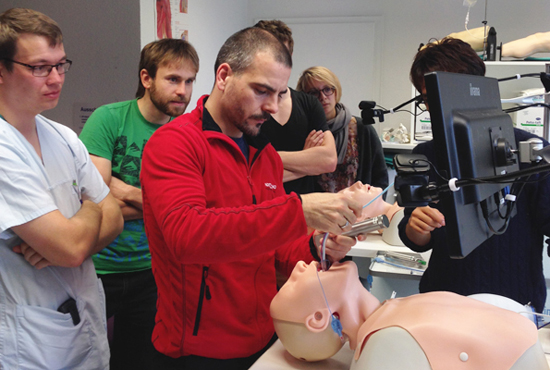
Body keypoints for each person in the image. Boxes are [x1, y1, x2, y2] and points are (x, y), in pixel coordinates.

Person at [140, 27, 366, 369]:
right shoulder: (175, 144)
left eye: (279, 93)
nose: (273, 107)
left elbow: (272, 249)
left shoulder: (265, 155)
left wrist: (316, 245)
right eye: (261, 91)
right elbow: (186, 237)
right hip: (197, 350)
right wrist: (299, 210)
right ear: (224, 76)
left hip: (265, 337)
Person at [0, 8, 123, 369]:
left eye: (60, 64)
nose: (55, 78)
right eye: (39, 67)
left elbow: (114, 218)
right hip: (32, 342)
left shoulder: (63, 136)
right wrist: (90, 208)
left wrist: (74, 241)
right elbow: (72, 246)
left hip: (84, 324)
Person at [398, 37, 550, 313]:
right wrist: (417, 227)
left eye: (437, 96)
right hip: (444, 300)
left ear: (473, 89)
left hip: (515, 304)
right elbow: (414, 238)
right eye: (425, 99)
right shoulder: (425, 154)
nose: (432, 108)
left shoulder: (529, 152)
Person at [79, 38, 199, 369]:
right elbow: (92, 193)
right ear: (146, 78)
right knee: (86, 356)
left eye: (189, 81)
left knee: (138, 360)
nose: (183, 91)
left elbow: (191, 209)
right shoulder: (109, 119)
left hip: (153, 268)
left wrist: (125, 192)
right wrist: (158, 204)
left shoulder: (187, 134)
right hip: (97, 264)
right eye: (173, 79)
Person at [269, 260, 549, 370]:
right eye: (294, 282)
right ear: (318, 319)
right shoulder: (381, 350)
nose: (300, 265)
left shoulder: (389, 317)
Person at [255, 19, 337, 195]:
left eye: (282, 55)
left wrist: (265, 159)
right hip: (262, 213)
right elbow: (248, 176)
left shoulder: (309, 104)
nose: (276, 63)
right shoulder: (247, 107)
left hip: (306, 212)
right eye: (270, 54)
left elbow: (328, 160)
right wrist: (307, 161)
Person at [296, 66, 389, 193]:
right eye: (314, 92)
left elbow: (380, 179)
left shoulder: (362, 128)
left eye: (327, 89)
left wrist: (371, 208)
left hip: (360, 210)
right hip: (317, 210)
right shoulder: (303, 133)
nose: (322, 97)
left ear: (336, 91)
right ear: (304, 97)